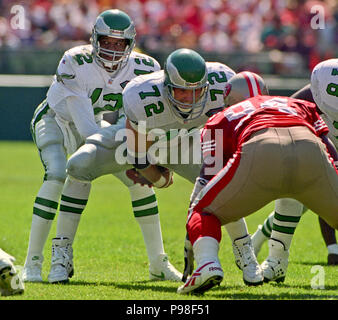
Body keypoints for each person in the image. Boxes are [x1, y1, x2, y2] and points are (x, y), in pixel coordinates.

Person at [67, 48, 264, 286]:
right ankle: (61, 252)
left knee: (221, 188)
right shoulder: (140, 95)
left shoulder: (222, 82)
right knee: (79, 164)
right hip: (140, 143)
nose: (190, 99)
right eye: (181, 91)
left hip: (187, 143)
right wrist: (159, 179)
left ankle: (245, 252)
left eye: (196, 91)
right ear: (167, 86)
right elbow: (138, 155)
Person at [23, 9, 182, 284]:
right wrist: (129, 150)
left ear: (130, 44)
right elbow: (87, 132)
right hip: (56, 120)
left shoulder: (145, 68)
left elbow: (134, 119)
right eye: (107, 41)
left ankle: (158, 262)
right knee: (59, 174)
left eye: (119, 43)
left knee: (140, 180)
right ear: (94, 39)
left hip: (98, 126)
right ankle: (33, 263)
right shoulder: (76, 60)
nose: (112, 48)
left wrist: (142, 157)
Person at [178, 71, 338, 295]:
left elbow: (209, 177)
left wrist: (195, 231)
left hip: (262, 149)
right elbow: (331, 154)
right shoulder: (296, 104)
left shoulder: (223, 116)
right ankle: (275, 260)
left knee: (203, 210)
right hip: (309, 147)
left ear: (230, 98)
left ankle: (208, 264)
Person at [250, 59, 338, 282]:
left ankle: (260, 237)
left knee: (308, 202)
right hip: (316, 146)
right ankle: (276, 257)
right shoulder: (302, 101)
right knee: (300, 196)